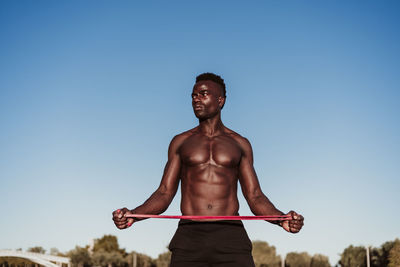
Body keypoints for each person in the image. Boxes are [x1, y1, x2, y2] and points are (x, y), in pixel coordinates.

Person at [112, 73, 304, 267]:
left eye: (203, 94)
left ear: (220, 100)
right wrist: (133, 215)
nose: (196, 99)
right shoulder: (181, 142)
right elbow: (164, 193)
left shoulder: (240, 144)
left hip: (230, 236)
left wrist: (281, 219)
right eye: (193, 95)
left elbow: (255, 196)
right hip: (189, 237)